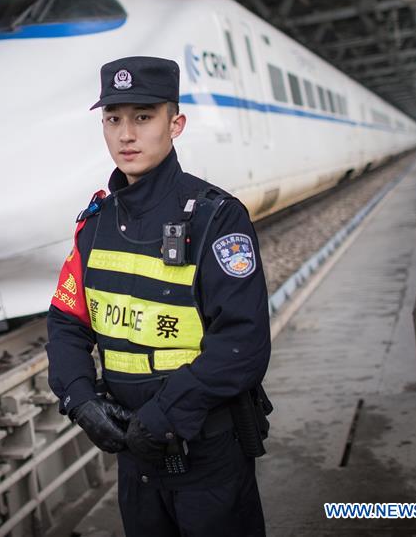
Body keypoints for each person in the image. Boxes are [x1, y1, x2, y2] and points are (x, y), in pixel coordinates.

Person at [46, 56, 272, 536]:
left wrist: (164, 414)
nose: (126, 135)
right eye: (113, 119)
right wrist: (80, 398)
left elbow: (243, 345)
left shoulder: (217, 218)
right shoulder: (95, 225)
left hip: (207, 455)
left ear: (176, 124)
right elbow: (65, 322)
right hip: (134, 459)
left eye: (143, 117)